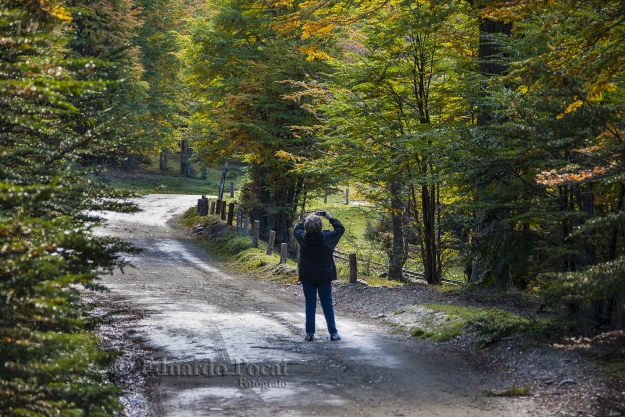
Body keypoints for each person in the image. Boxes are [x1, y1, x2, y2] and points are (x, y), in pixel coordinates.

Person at [293, 210, 345, 342]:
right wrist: (329, 216)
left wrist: (308, 217)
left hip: (307, 276)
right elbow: (340, 228)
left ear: (306, 227)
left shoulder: (302, 238)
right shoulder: (328, 238)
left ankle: (310, 333)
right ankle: (333, 333)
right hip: (324, 276)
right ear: (320, 227)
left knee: (310, 304)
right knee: (327, 303)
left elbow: (296, 229)